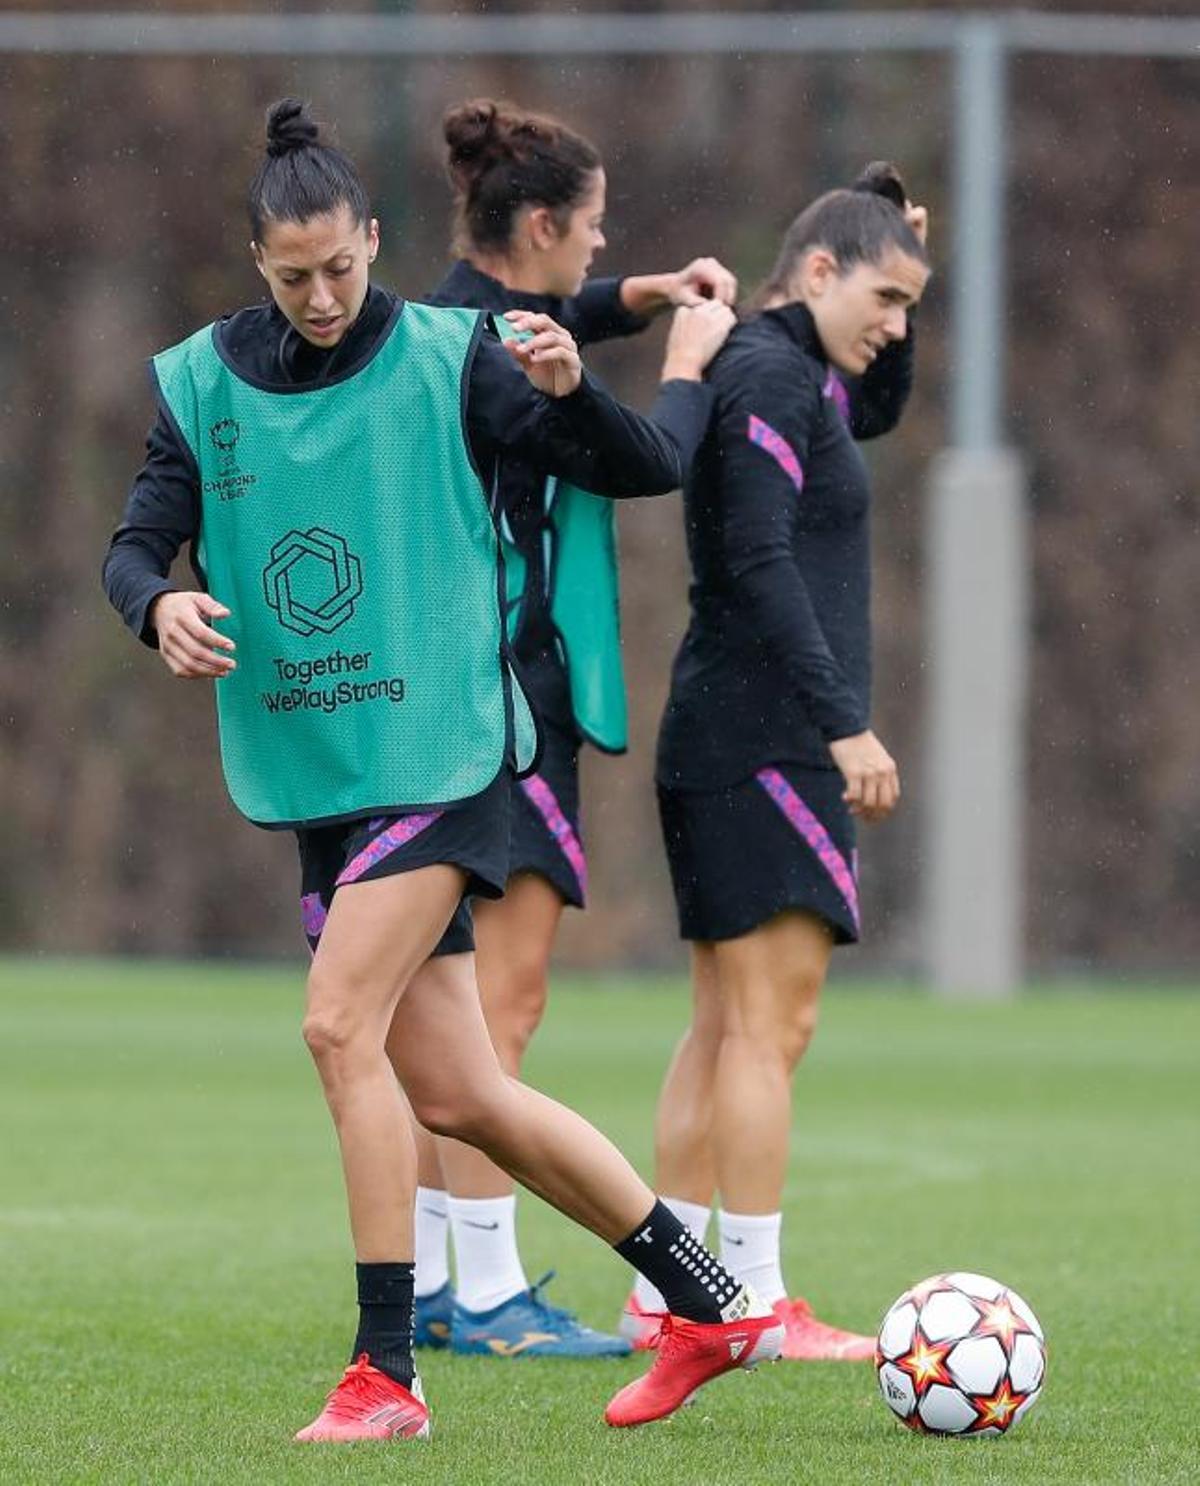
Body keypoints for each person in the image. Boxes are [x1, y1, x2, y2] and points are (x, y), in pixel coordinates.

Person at [102, 97, 777, 1440]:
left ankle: (383, 1374)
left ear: (371, 236)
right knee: (464, 1092)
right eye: (292, 276)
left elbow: (643, 466)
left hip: (451, 755)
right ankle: (706, 1304)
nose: (321, 295)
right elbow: (138, 542)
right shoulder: (201, 385)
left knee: (334, 1024)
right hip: (326, 772)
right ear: (258, 262)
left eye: (342, 266)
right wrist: (156, 604)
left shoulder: (454, 357)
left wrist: (579, 391)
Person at [409, 96, 739, 1361]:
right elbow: (649, 454)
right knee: (501, 1008)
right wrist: (690, 364)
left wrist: (634, 298)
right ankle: (489, 1295)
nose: (601, 250)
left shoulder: (442, 321)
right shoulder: (497, 354)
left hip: (452, 703)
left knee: (459, 1014)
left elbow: (523, 325)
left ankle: (451, 1276)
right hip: (510, 711)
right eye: (593, 231)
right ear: (539, 221)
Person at [618, 165, 930, 1363]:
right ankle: (748, 1301)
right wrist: (841, 720)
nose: (896, 326)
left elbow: (882, 404)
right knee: (765, 1028)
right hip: (761, 743)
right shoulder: (763, 372)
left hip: (738, 737)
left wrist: (895, 264)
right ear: (816, 272)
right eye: (888, 296)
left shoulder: (803, 377)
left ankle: (675, 1295)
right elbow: (753, 559)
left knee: (723, 1027)